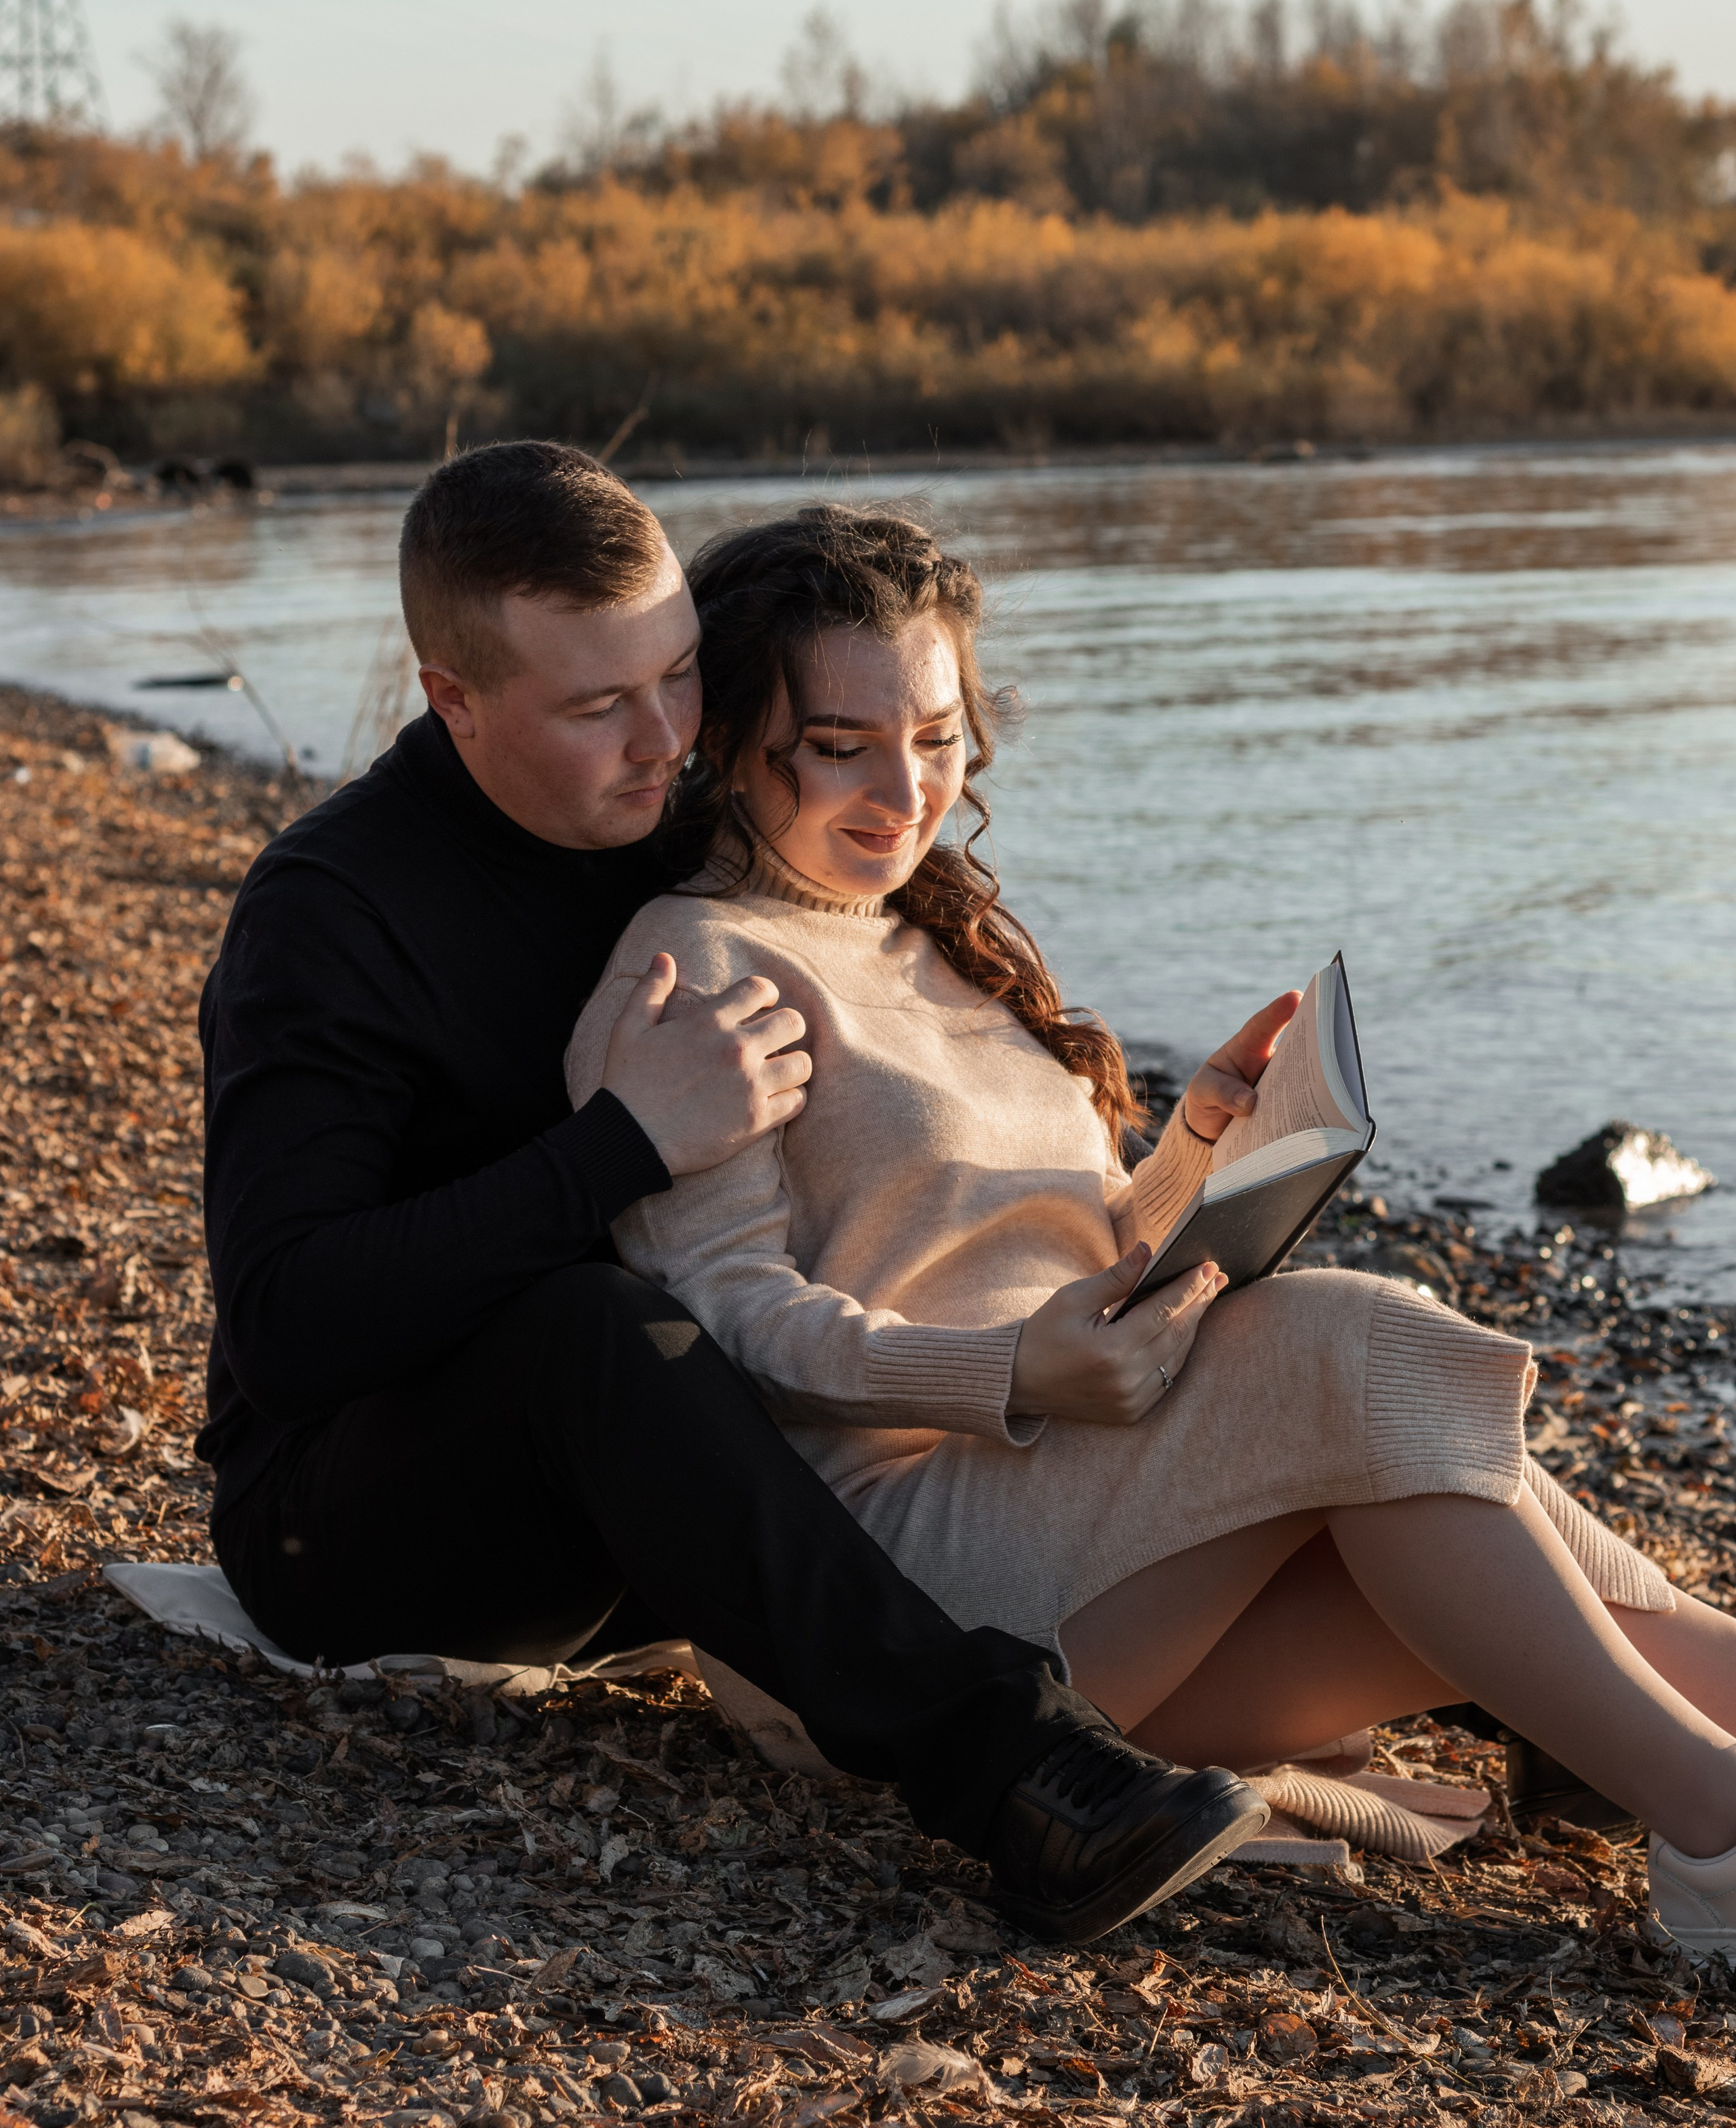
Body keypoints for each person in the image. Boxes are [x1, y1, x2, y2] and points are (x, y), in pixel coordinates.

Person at [564, 498, 1736, 1965]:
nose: (902, 789)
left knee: (1468, 1543)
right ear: (731, 738)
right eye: (839, 745)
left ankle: (1711, 1778)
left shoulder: (925, 932)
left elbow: (1058, 1255)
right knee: (1350, 1344)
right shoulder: (699, 965)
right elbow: (722, 1325)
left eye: (935, 740)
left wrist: (1197, 1154)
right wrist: (1001, 1375)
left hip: (1088, 1515)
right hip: (901, 1584)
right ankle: (1710, 1833)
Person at [197, 439, 1268, 1948]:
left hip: (701, 1504)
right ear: (451, 698)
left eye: (679, 678)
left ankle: (1496, 1650)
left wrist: (1184, 1169)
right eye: (595, 707)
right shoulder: (334, 912)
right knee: (592, 1322)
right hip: (367, 1529)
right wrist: (620, 1145)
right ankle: (1013, 1773)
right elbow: (290, 1324)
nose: (664, 740)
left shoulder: (676, 826)